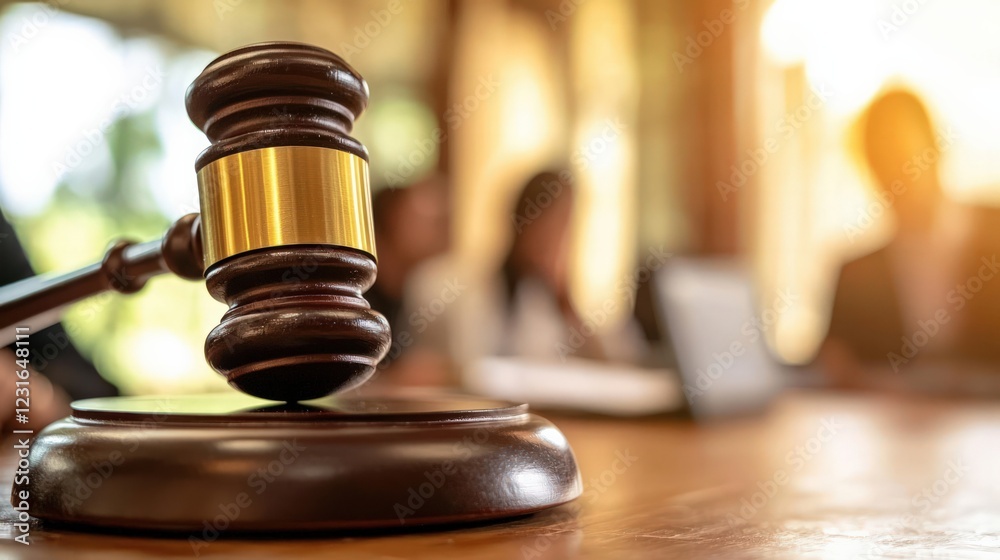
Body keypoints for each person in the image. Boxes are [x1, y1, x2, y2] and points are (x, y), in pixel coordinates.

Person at [821, 89, 1000, 389]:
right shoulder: (855, 274)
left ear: (935, 150)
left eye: (904, 155)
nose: (895, 175)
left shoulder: (994, 232)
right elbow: (834, 363)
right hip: (889, 416)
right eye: (881, 160)